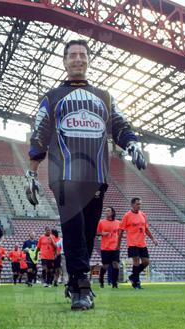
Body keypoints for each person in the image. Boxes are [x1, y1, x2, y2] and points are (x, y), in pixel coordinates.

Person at [26, 39, 146, 310]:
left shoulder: (105, 97)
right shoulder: (52, 97)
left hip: (96, 176)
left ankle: (73, 282)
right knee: (73, 228)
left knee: (87, 234)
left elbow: (120, 125)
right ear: (64, 61)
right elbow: (40, 133)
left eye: (82, 55)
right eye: (73, 55)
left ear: (89, 61)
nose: (78, 59)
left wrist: (133, 144)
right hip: (64, 175)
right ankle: (82, 287)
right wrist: (31, 173)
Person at [117, 197, 158, 289]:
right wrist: (118, 244)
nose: (139, 206)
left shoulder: (143, 214)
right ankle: (137, 283)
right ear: (132, 204)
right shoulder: (127, 215)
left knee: (146, 262)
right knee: (136, 261)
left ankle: (133, 276)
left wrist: (153, 239)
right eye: (137, 204)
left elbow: (146, 229)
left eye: (140, 204)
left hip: (142, 243)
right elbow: (121, 230)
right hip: (132, 243)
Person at [96, 207, 121, 288]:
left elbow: (120, 234)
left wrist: (118, 244)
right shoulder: (101, 222)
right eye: (106, 211)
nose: (106, 212)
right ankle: (101, 279)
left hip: (115, 247)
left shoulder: (118, 222)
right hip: (105, 247)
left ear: (112, 212)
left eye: (108, 211)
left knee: (116, 264)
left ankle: (114, 283)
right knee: (105, 266)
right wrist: (102, 234)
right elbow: (96, 233)